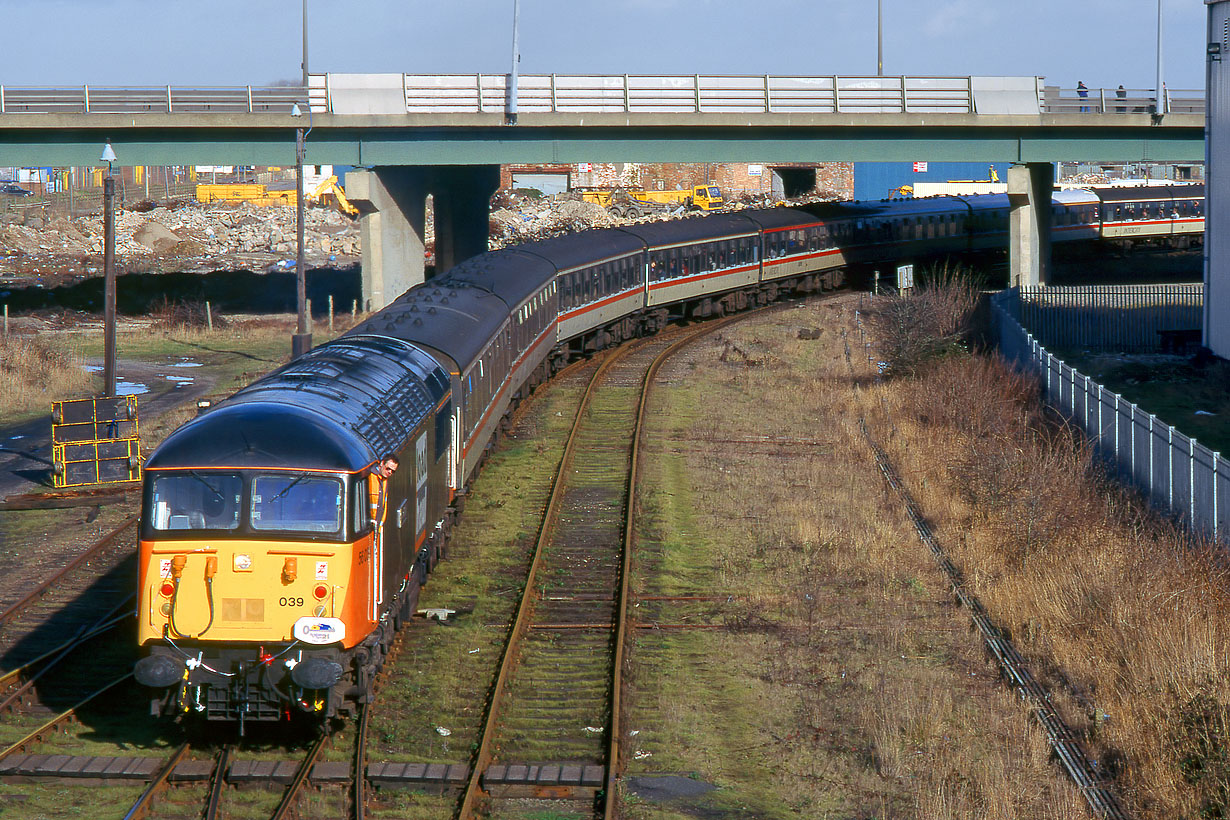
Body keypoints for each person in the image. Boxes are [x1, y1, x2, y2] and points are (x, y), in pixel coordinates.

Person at [368, 453, 400, 541]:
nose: (390, 472)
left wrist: (379, 527)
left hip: (376, 530)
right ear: (382, 464)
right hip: (367, 530)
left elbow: (383, 506)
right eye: (388, 468)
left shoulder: (385, 481)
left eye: (393, 471)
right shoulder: (369, 477)